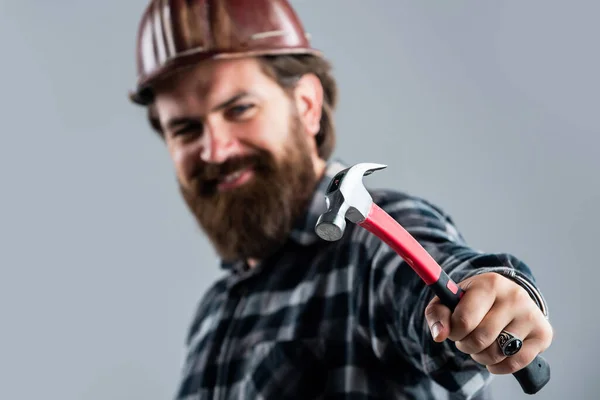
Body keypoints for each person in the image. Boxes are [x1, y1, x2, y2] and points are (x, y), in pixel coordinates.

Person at [128, 1, 553, 398]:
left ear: (307, 106)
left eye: (239, 108)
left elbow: (435, 285)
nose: (215, 150)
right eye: (184, 130)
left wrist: (492, 298)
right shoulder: (212, 315)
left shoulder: (368, 246)